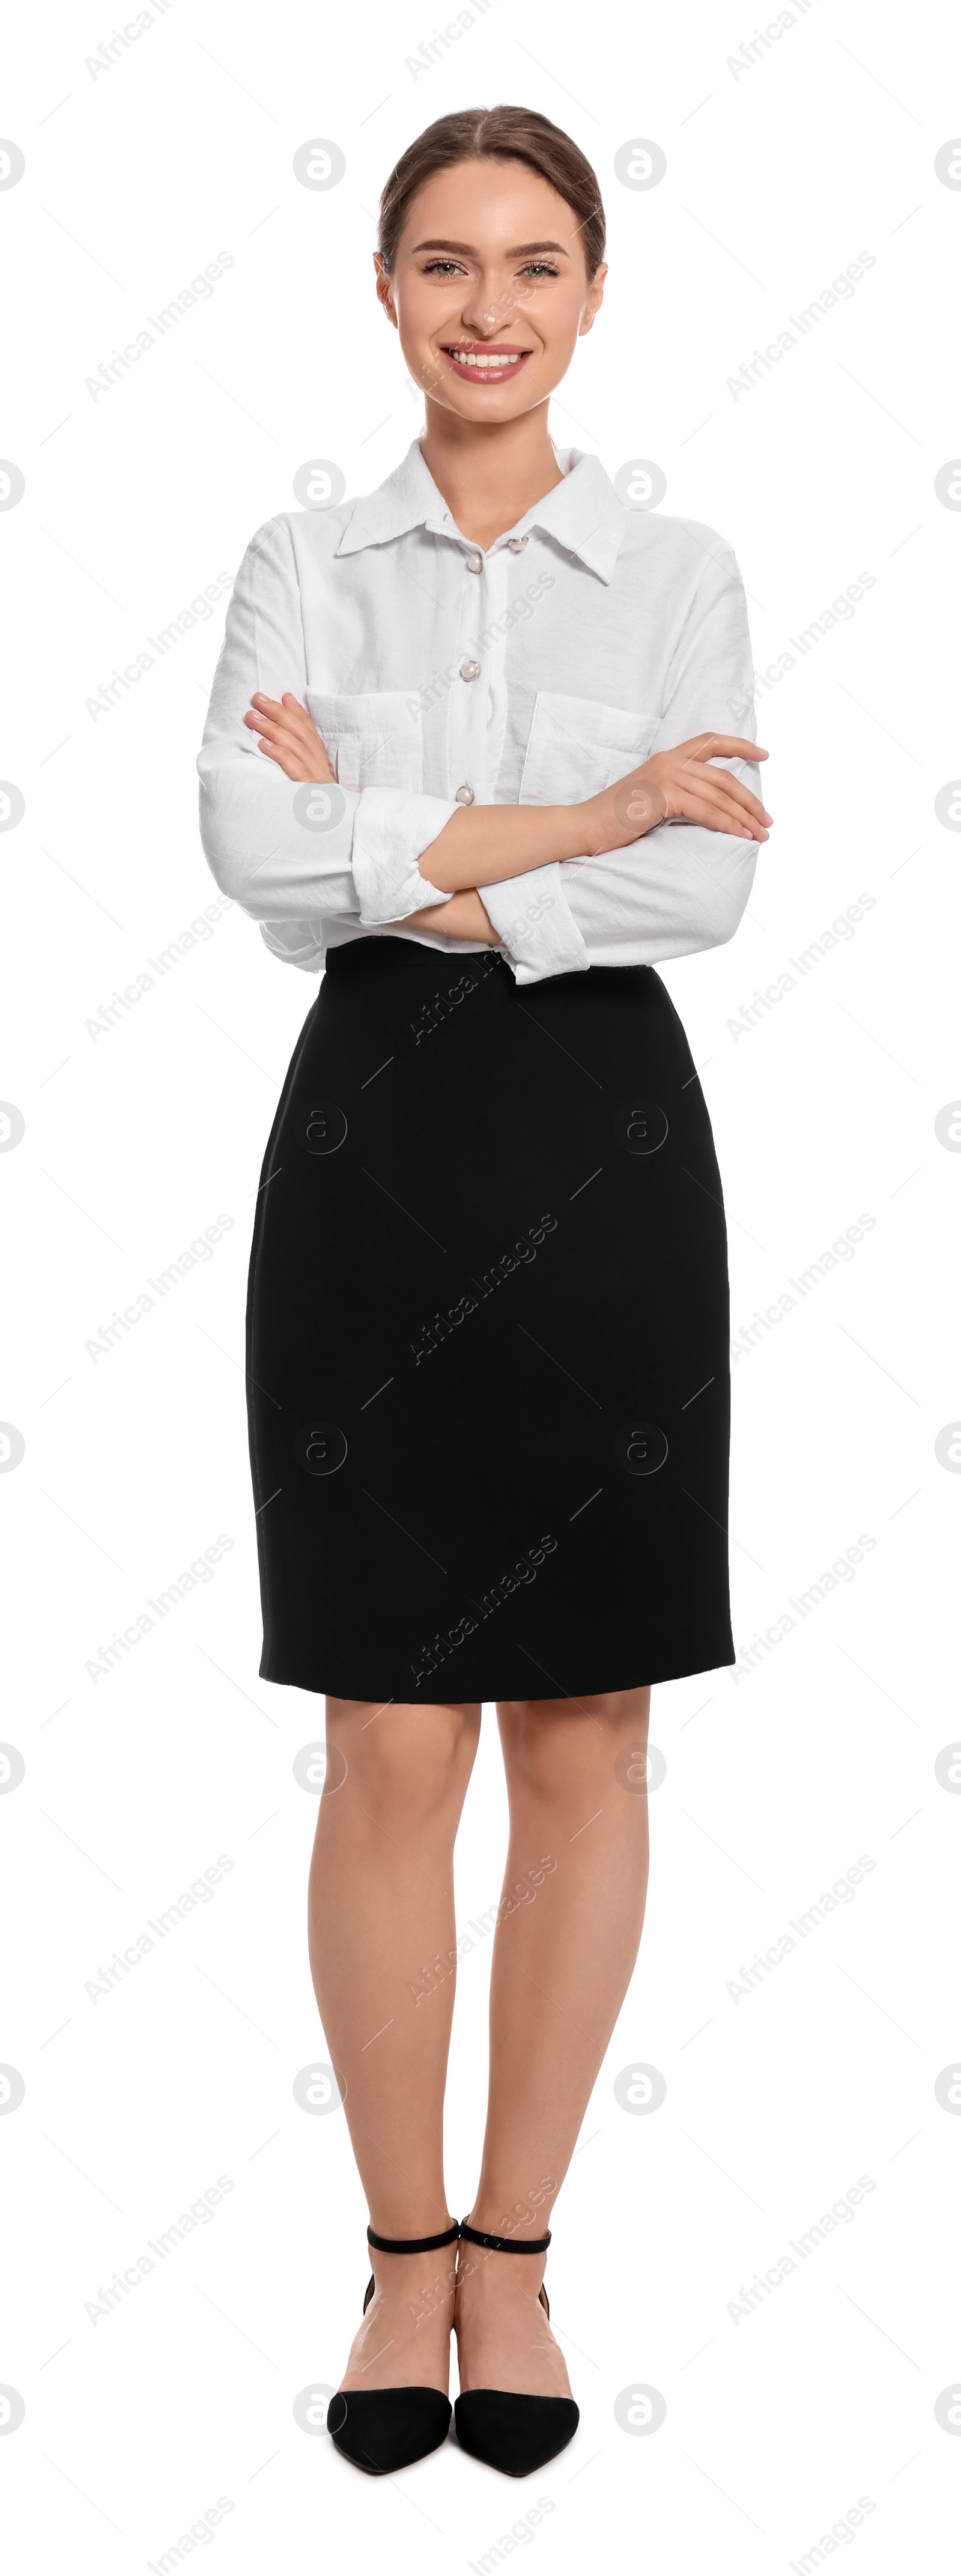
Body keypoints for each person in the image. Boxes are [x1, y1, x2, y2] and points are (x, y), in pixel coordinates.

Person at [198, 103, 771, 2482]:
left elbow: (704, 900)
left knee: (583, 1731)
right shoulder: (296, 558)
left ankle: (516, 2253)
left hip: (605, 1155)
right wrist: (591, 811)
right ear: (386, 292)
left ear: (595, 292)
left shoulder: (677, 564)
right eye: (444, 262)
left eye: (535, 263)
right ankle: (395, 2240)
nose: (490, 307)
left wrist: (410, 845)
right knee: (387, 1736)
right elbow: (251, 848)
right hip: (369, 1154)